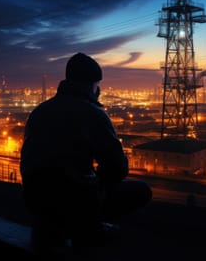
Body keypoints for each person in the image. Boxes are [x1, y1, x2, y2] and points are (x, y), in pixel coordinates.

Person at [20, 52, 152, 254]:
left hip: (35, 200)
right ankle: (90, 228)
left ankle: (55, 228)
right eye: (97, 84)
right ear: (92, 84)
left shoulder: (40, 110)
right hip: (75, 204)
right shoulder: (92, 112)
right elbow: (117, 168)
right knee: (141, 190)